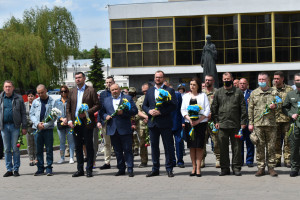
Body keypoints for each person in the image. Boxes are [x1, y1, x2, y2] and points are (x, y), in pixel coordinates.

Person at [142, 70, 177, 177]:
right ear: (154, 78)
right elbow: (144, 105)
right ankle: (155, 168)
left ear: (163, 78)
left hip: (165, 123)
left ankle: (169, 168)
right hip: (153, 124)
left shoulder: (169, 90)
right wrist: (149, 111)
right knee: (154, 147)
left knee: (168, 146)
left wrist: (161, 112)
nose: (158, 79)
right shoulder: (149, 91)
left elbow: (173, 106)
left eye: (160, 77)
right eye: (156, 77)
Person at [211, 72, 247, 176]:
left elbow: (243, 108)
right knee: (223, 148)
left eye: (228, 79)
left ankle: (236, 167)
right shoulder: (218, 92)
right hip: (222, 125)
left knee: (236, 147)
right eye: (224, 79)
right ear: (222, 80)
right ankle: (224, 168)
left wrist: (243, 122)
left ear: (232, 79)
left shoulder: (238, 92)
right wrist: (216, 121)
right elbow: (214, 108)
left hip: (236, 125)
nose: (226, 80)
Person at [67, 72, 100, 177]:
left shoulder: (90, 90)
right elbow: (68, 108)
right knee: (78, 146)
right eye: (76, 78)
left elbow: (97, 105)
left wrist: (86, 113)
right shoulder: (72, 91)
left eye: (79, 77)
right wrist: (69, 120)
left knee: (89, 146)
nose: (77, 79)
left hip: (87, 123)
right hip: (75, 123)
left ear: (84, 78)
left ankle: (89, 169)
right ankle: (80, 169)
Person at [101, 84, 138, 177]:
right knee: (117, 151)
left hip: (124, 128)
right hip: (112, 129)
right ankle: (121, 168)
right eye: (112, 90)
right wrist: (106, 116)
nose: (114, 91)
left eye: (116, 89)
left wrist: (124, 112)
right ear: (110, 91)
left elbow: (135, 111)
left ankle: (130, 168)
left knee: (128, 150)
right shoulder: (106, 100)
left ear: (119, 89)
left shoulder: (127, 98)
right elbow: (102, 112)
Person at [248, 72, 278, 177]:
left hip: (271, 124)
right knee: (259, 147)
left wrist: (276, 107)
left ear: (268, 80)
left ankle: (271, 168)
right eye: (259, 79)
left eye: (263, 79)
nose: (261, 81)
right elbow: (250, 109)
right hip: (258, 124)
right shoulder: (254, 93)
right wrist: (250, 123)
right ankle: (260, 168)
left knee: (271, 147)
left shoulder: (274, 92)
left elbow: (280, 106)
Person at [181, 77, 210, 176]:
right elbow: (183, 110)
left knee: (199, 146)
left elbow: (206, 110)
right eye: (191, 84)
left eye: (194, 84)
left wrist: (198, 121)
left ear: (198, 86)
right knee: (192, 146)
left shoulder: (203, 96)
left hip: (201, 124)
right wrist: (189, 119)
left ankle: (198, 168)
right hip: (189, 124)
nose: (192, 86)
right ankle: (193, 167)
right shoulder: (185, 96)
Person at [0, 80, 27, 177]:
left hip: (15, 126)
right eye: (6, 86)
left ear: (13, 88)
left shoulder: (18, 98)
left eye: (9, 86)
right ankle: (9, 169)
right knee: (7, 149)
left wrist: (24, 126)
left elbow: (23, 113)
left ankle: (16, 169)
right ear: (3, 88)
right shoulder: (1, 98)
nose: (8, 88)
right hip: (3, 127)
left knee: (15, 149)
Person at [30, 84, 55, 176]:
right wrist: (37, 124)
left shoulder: (52, 101)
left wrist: (44, 125)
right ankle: (40, 167)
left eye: (42, 92)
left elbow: (54, 116)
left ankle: (49, 167)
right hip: (37, 129)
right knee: (38, 149)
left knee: (49, 149)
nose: (40, 95)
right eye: (38, 93)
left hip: (48, 129)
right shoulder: (35, 101)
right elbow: (31, 114)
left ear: (46, 91)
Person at [273, 71, 293, 168]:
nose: (275, 80)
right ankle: (277, 159)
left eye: (277, 78)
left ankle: (287, 159)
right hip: (275, 120)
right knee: (276, 141)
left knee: (287, 140)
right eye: (274, 78)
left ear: (282, 79)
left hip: (287, 119)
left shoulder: (289, 90)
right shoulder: (271, 90)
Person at [282, 73, 300, 177]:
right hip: (295, 126)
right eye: (297, 80)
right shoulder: (290, 94)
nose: (299, 82)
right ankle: (294, 168)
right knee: (294, 148)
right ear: (294, 82)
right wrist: (290, 114)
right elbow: (284, 107)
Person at [54, 86, 75, 164]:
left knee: (71, 141)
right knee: (62, 141)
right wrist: (61, 118)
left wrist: (68, 119)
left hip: (69, 123)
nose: (63, 93)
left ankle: (71, 157)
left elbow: (73, 111)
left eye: (65, 91)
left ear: (68, 92)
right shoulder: (57, 101)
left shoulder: (71, 101)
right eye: (62, 91)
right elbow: (54, 112)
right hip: (60, 123)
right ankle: (62, 158)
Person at [97, 76, 115, 170]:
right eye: (107, 82)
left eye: (110, 82)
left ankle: (122, 162)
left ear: (114, 82)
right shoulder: (103, 94)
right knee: (107, 143)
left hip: (116, 122)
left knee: (117, 143)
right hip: (105, 122)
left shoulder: (118, 92)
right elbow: (100, 109)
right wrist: (99, 121)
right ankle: (107, 162)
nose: (108, 84)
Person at [202, 75, 220, 168]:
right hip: (202, 121)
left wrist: (212, 114)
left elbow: (220, 106)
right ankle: (202, 159)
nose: (207, 81)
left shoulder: (217, 92)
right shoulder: (201, 93)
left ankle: (218, 159)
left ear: (213, 81)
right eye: (206, 80)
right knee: (202, 141)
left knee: (216, 141)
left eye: (209, 80)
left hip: (214, 121)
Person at [239, 78, 255, 167]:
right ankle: (240, 160)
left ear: (247, 84)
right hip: (238, 123)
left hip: (249, 122)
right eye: (240, 83)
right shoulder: (235, 93)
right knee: (239, 142)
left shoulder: (252, 93)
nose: (242, 85)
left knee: (250, 142)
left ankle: (249, 161)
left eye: (244, 83)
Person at [136, 83, 150, 168]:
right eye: (143, 91)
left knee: (155, 144)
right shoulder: (140, 99)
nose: (145, 92)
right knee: (142, 144)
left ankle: (156, 161)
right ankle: (144, 161)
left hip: (153, 123)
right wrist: (145, 117)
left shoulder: (155, 98)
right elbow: (137, 112)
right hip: (142, 125)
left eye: (147, 91)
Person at [171, 88, 185, 168]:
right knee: (170, 144)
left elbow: (181, 108)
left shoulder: (177, 95)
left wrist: (183, 121)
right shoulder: (161, 96)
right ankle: (172, 161)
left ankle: (180, 160)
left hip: (177, 122)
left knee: (179, 142)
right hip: (167, 124)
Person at [25, 89, 37, 166]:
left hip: (36, 126)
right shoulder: (24, 105)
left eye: (32, 96)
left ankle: (36, 158)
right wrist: (29, 122)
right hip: (28, 126)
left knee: (36, 142)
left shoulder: (37, 104)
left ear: (34, 96)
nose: (30, 97)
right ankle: (31, 158)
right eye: (29, 96)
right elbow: (24, 115)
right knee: (29, 143)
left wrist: (34, 122)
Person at [128, 87, 139, 156]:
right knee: (130, 136)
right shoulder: (128, 100)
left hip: (136, 119)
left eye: (132, 93)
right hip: (130, 120)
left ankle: (136, 148)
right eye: (130, 93)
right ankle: (131, 148)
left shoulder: (137, 101)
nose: (131, 94)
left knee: (135, 135)